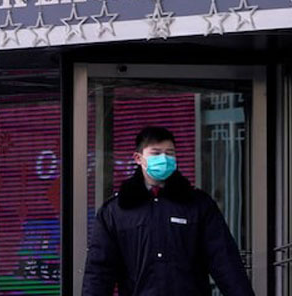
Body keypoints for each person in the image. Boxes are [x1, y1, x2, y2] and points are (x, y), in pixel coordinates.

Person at [82, 126, 254, 296]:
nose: (164, 159)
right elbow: (99, 270)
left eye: (170, 153)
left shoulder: (197, 204)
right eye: (156, 153)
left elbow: (225, 261)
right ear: (138, 158)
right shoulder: (117, 210)